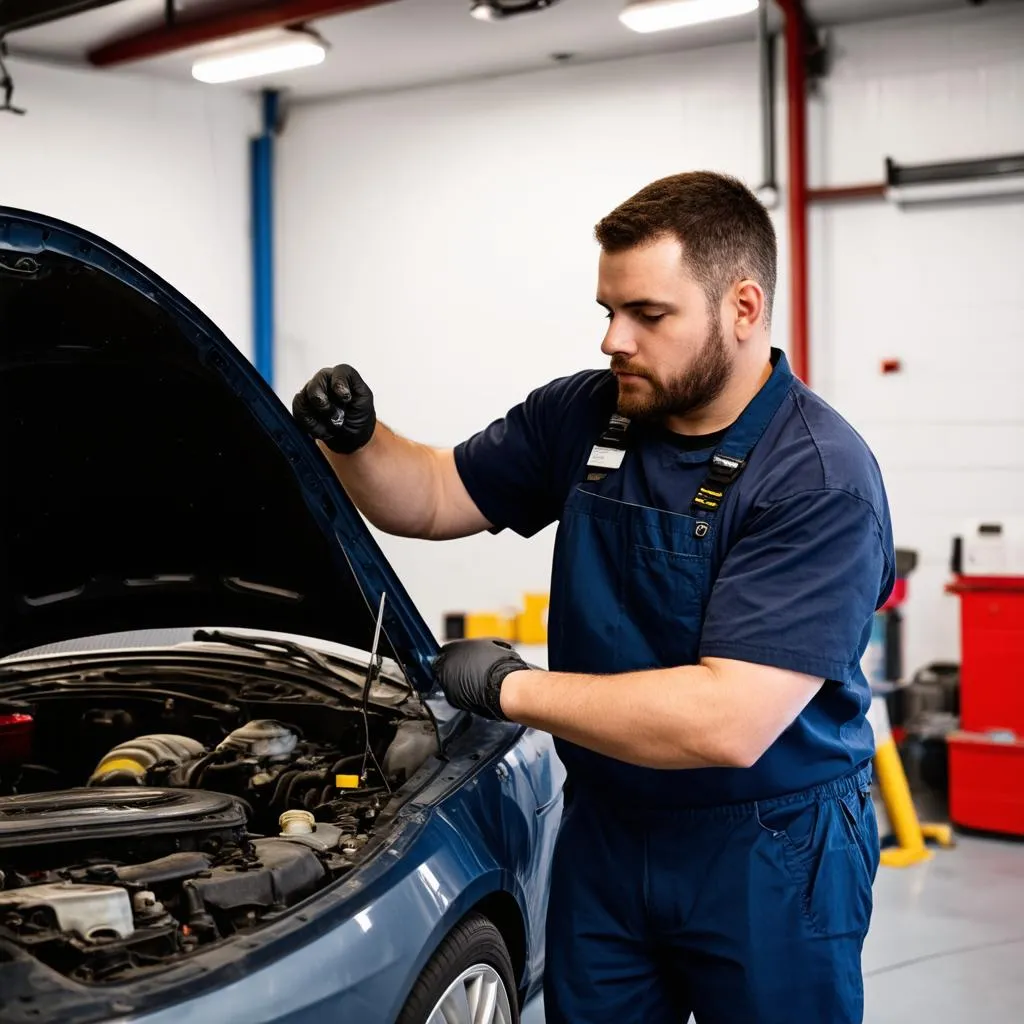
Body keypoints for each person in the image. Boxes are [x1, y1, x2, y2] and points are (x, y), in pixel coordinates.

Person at [292, 171, 895, 1024]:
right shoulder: (587, 415)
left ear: (744, 308)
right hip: (608, 830)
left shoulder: (816, 479)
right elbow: (429, 495)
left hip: (770, 851)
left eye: (648, 315)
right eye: (608, 310)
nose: (615, 339)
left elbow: (727, 720)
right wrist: (356, 440)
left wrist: (506, 687)